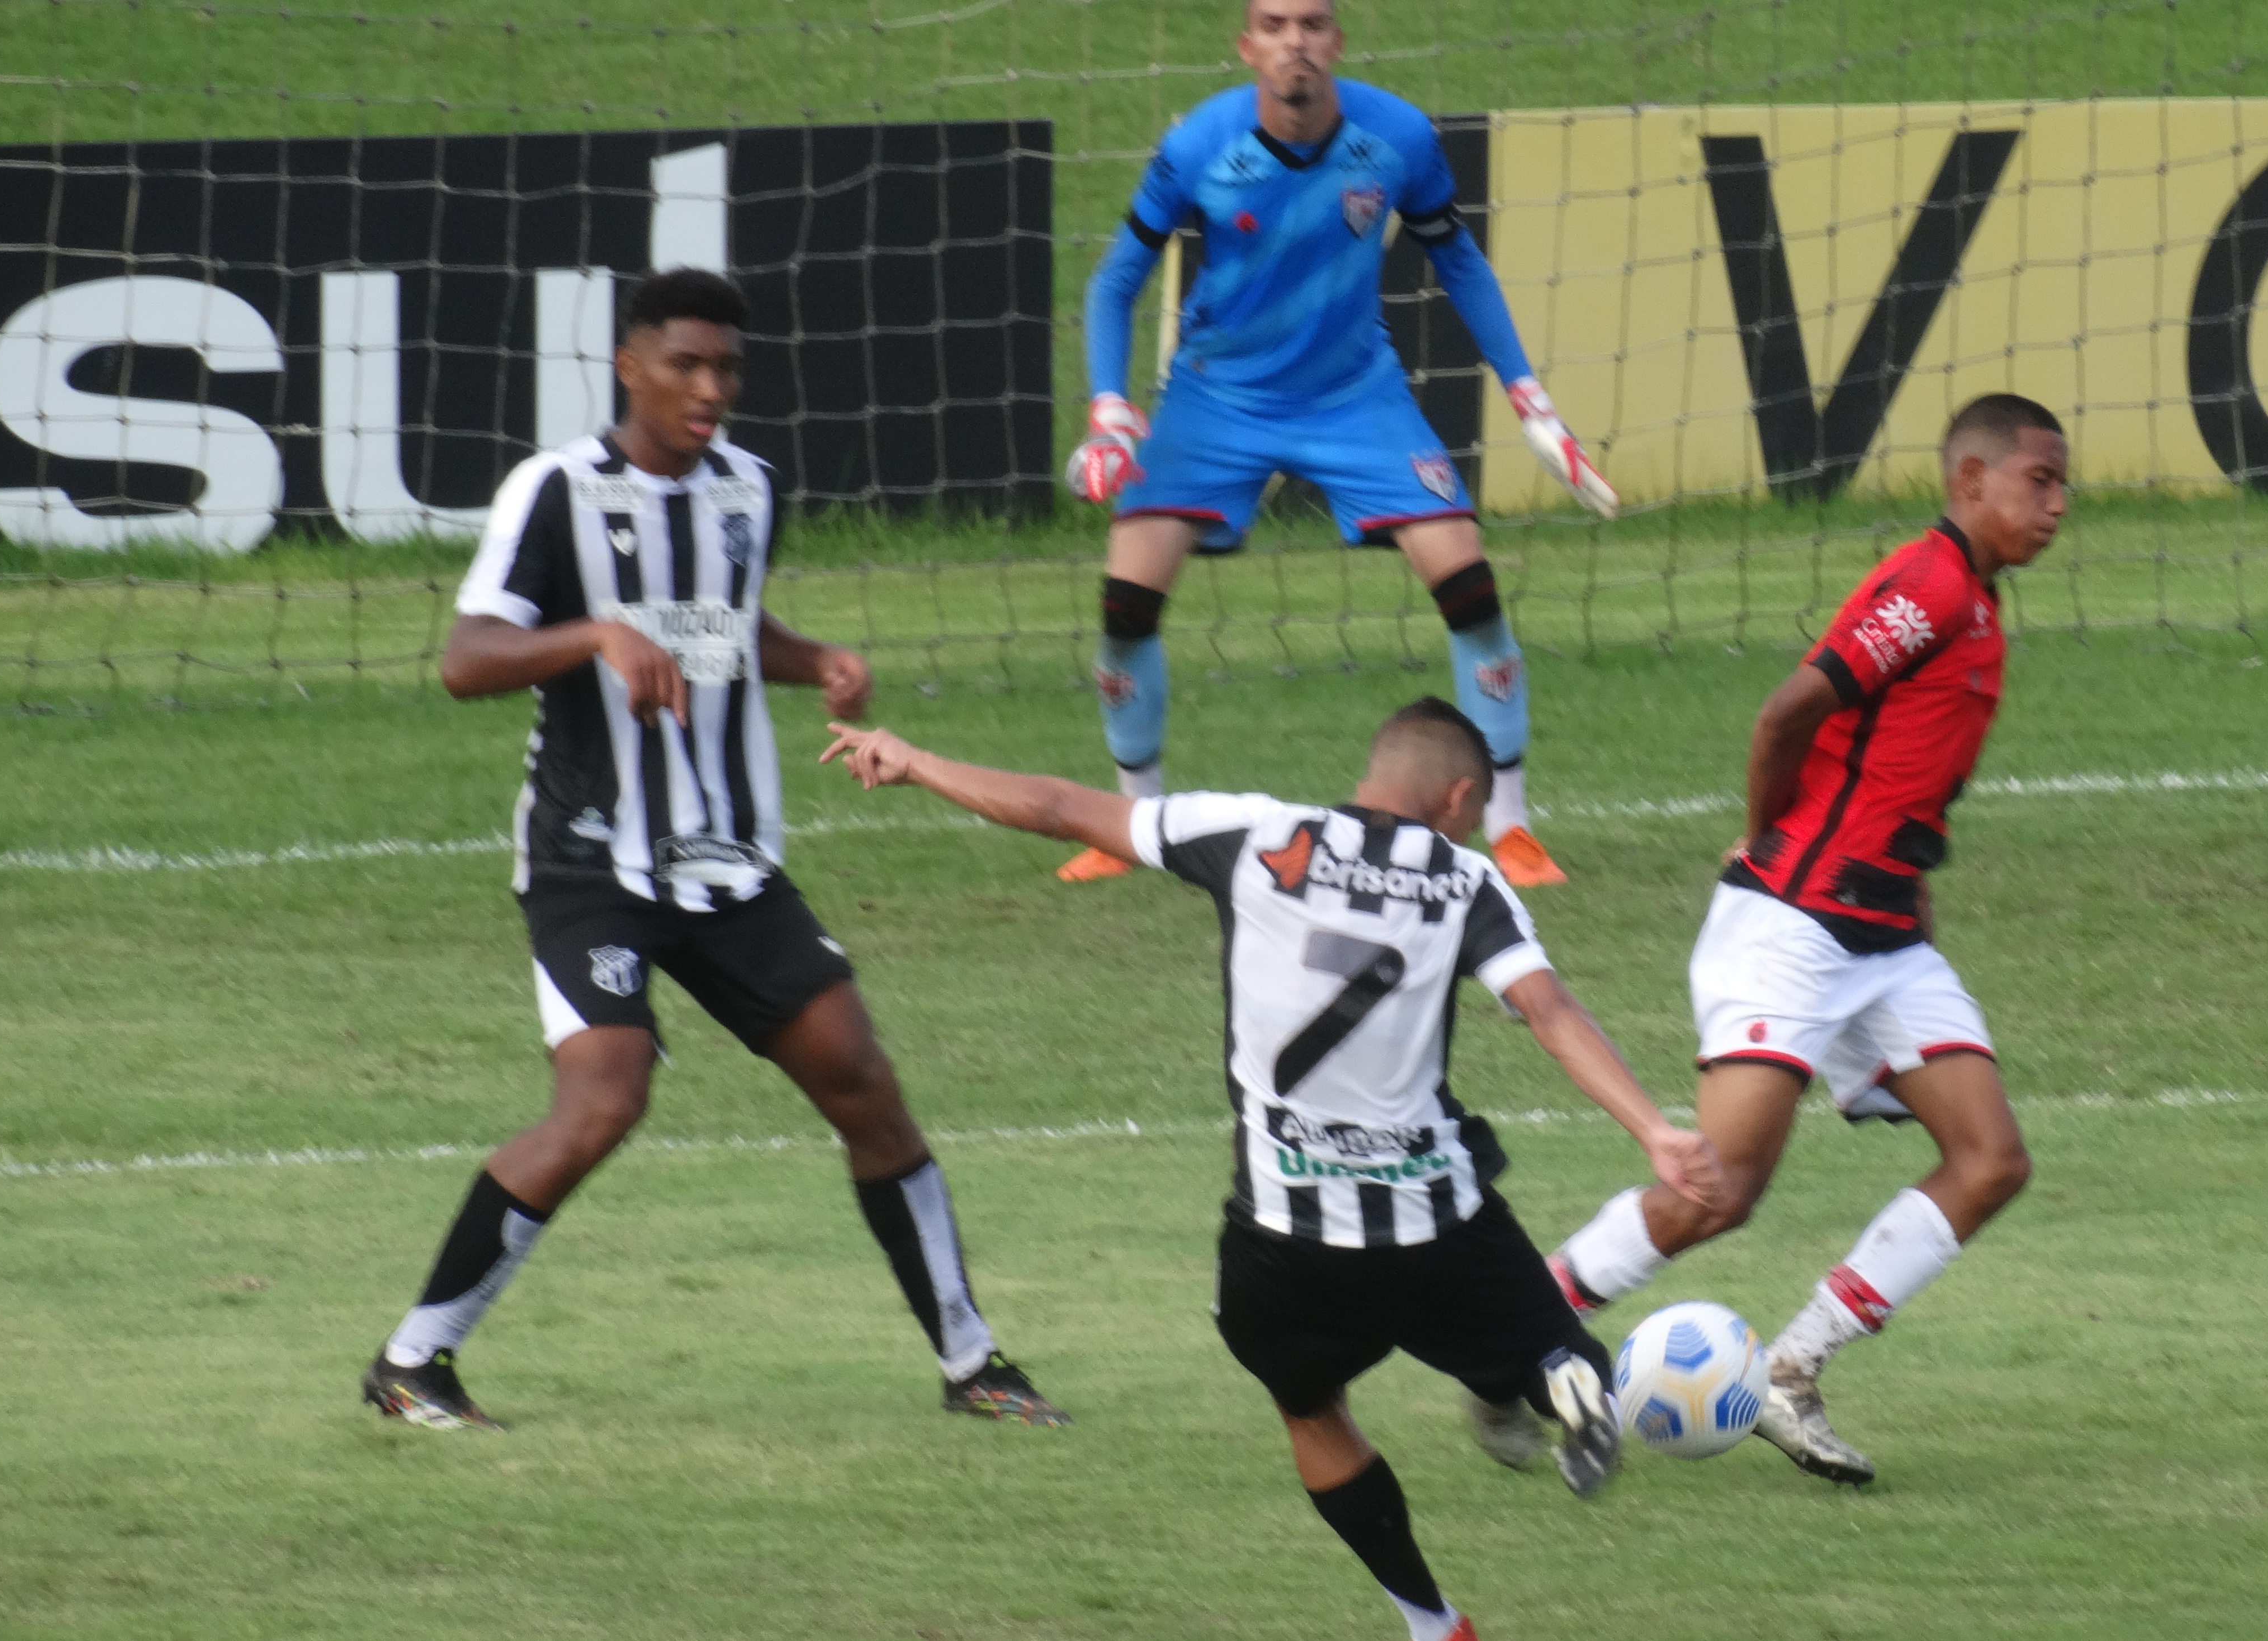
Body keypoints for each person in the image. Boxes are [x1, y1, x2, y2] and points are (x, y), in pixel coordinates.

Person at [821, 698, 1719, 1641]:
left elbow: (1055, 805)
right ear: (1459, 799)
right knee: (1543, 1323)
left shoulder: (1248, 832)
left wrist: (913, 758)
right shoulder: (1466, 880)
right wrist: (1655, 1130)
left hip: (1282, 1237)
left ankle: (1430, 1620)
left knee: (1312, 1407)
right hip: (1434, 1224)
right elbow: (1550, 1010)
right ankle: (1553, 1374)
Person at [360, 268, 1064, 1432]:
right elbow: (466, 661)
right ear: (630, 365)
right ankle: (413, 1362)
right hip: (593, 863)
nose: (711, 387)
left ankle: (975, 1366)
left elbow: (723, 626)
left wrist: (817, 659)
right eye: (687, 363)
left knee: (866, 1087)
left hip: (729, 864)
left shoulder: (752, 487)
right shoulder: (557, 490)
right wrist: (595, 632)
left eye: (727, 367)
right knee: (604, 1100)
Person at [1539, 394, 2069, 1485]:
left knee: (1991, 1160)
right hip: (1792, 929)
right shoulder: (1925, 586)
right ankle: (1521, 1334)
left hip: (1882, 939)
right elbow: (1786, 714)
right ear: (1970, 481)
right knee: (1718, 1192)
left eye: (2063, 487)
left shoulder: (1976, 600)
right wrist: (1760, 841)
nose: (2057, 506)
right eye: (2039, 481)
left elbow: (1898, 774)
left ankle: (1789, 1371)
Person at [1055, 0, 1618, 891]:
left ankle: (1511, 828)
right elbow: (1116, 279)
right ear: (1249, 48)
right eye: (1275, 25)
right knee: (1126, 601)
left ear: (1337, 42)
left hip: (1355, 395)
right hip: (1217, 397)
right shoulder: (1201, 143)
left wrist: (1530, 399)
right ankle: (1130, 823)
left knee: (1468, 584)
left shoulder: (1397, 136)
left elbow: (1458, 259)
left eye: (1313, 23)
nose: (1296, 43)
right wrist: (1110, 410)